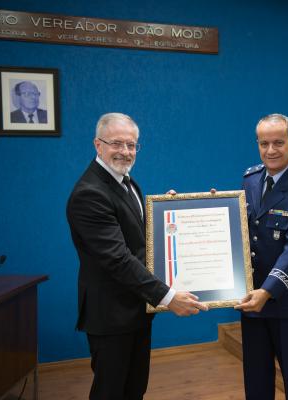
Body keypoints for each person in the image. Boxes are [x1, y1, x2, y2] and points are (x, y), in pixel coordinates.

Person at [66, 112, 208, 400]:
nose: (125, 152)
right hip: (111, 314)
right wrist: (168, 297)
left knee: (134, 389)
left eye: (132, 145)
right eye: (117, 143)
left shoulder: (126, 181)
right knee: (110, 391)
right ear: (98, 144)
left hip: (135, 309)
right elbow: (118, 258)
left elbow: (138, 239)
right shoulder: (89, 193)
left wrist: (169, 214)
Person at [235, 113, 288, 399]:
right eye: (264, 144)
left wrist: (268, 291)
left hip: (286, 302)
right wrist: (216, 210)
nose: (270, 150)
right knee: (256, 381)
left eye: (278, 143)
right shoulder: (250, 179)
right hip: (251, 298)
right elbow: (242, 231)